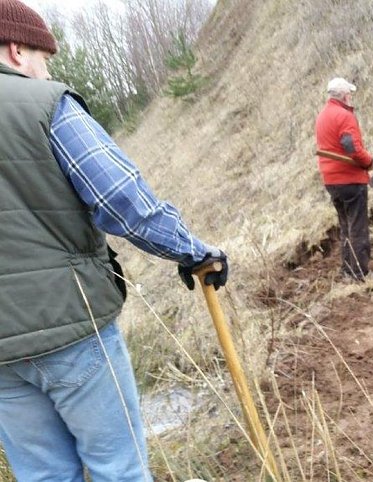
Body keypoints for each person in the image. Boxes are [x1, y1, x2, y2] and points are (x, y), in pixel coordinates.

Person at [0, 1, 228, 480]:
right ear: (18, 50)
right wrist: (192, 250)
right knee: (117, 468)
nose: (45, 72)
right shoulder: (45, 104)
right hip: (70, 326)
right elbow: (123, 200)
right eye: (45, 60)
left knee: (41, 477)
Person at [315, 77, 373, 282]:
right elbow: (352, 148)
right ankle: (360, 273)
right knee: (358, 227)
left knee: (346, 226)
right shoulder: (344, 115)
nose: (351, 97)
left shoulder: (322, 115)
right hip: (349, 180)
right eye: (350, 94)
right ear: (345, 95)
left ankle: (347, 271)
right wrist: (371, 163)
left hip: (331, 181)